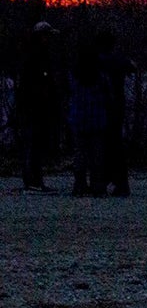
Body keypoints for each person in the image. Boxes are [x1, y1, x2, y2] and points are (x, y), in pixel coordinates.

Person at [14, 21, 62, 191]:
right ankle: (32, 180)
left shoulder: (36, 55)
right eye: (47, 36)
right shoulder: (35, 56)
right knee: (32, 144)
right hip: (33, 107)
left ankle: (34, 179)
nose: (49, 39)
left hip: (35, 107)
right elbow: (33, 85)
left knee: (35, 144)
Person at [95, 29, 135, 196]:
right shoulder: (119, 61)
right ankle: (120, 183)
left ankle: (104, 181)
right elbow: (132, 67)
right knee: (116, 146)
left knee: (103, 145)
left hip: (102, 107)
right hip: (117, 108)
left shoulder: (97, 61)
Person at [68, 38, 108, 197]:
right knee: (97, 156)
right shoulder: (100, 78)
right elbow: (108, 96)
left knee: (80, 156)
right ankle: (98, 187)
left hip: (79, 120)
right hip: (97, 120)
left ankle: (79, 186)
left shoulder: (75, 77)